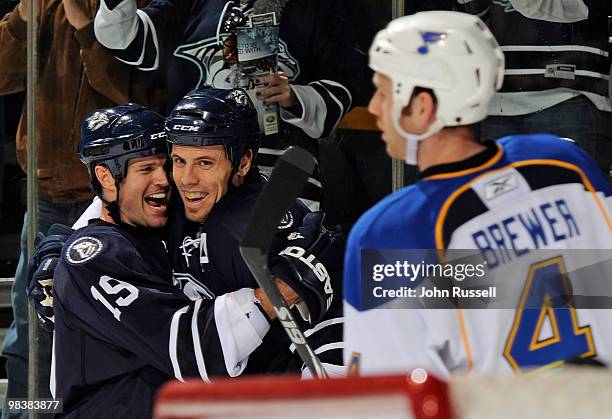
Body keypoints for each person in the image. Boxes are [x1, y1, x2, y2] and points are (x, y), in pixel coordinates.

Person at [343, 11, 612, 378]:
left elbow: (388, 397)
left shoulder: (391, 232)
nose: (374, 108)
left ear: (423, 107)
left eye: (384, 92)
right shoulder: (566, 164)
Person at [48, 96, 342, 416]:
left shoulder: (179, 216)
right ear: (106, 178)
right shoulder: (100, 252)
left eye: (203, 162)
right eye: (169, 163)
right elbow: (195, 351)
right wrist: (280, 289)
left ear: (243, 163)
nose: (174, 180)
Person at [0, 0, 157, 413]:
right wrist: (22, 17)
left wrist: (87, 29)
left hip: (116, 202)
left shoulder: (133, 9)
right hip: (47, 196)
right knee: (29, 327)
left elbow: (126, 91)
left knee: (112, 320)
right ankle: (25, 413)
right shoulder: (41, 8)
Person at [93, 0, 367, 207]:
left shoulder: (317, 8)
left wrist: (295, 97)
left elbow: (345, 82)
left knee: (274, 273)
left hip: (282, 175)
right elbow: (127, 39)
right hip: (194, 171)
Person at [164, 87, 345, 376]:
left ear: (244, 162)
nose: (187, 179)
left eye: (205, 163)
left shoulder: (256, 228)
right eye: (179, 161)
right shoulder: (167, 207)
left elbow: (338, 315)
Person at [455, 0, 612, 179]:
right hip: (491, 103)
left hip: (568, 95)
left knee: (579, 199)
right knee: (494, 204)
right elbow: (463, 23)